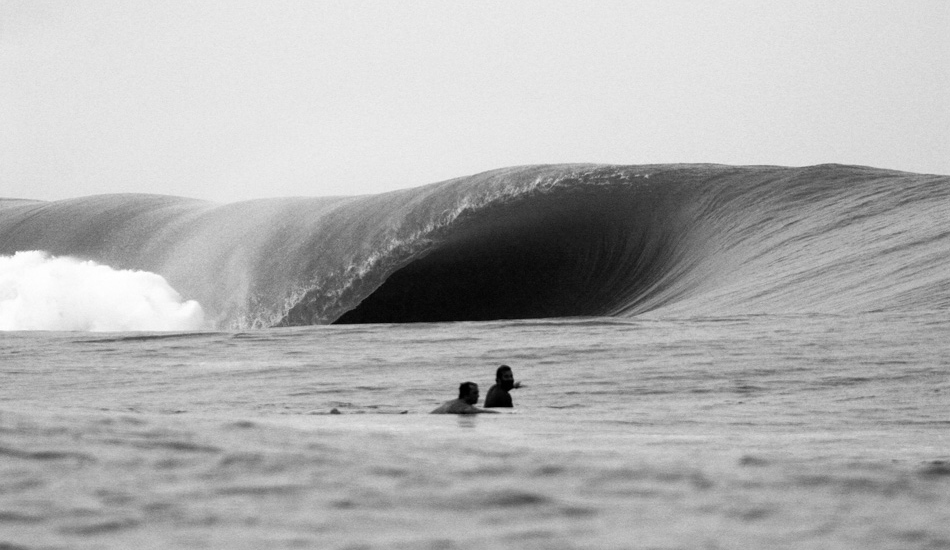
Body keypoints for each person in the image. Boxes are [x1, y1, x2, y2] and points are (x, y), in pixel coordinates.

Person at [431, 382, 498, 414]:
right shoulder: (464, 407)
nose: (478, 396)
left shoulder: (450, 402)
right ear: (466, 395)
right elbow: (479, 411)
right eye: (475, 393)